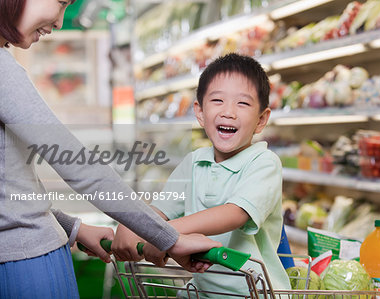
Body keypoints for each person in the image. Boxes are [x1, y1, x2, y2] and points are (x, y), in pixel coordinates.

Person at [0, 0, 221, 298]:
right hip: (26, 268)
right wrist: (170, 239)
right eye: (61, 2)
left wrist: (73, 228)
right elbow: (80, 168)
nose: (60, 22)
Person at [114, 53, 291, 297]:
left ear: (261, 120)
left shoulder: (264, 163)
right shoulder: (194, 163)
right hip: (203, 291)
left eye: (243, 103)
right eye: (217, 100)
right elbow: (159, 211)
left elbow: (235, 213)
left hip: (256, 292)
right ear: (199, 112)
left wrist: (162, 233)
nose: (229, 112)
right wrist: (135, 224)